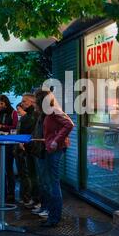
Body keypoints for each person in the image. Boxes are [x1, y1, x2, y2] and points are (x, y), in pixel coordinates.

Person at [35, 89, 74, 227]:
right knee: (51, 182)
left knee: (53, 183)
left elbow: (69, 124)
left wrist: (56, 140)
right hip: (52, 148)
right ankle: (53, 216)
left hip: (55, 149)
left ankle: (54, 217)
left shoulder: (53, 110)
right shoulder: (49, 111)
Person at [14, 93, 39, 208]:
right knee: (30, 174)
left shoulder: (34, 115)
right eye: (22, 101)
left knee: (33, 175)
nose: (22, 103)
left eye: (24, 101)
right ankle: (34, 199)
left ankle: (37, 200)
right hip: (28, 148)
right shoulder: (28, 116)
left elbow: (30, 132)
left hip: (33, 148)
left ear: (31, 102)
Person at [0, 94, 18, 202]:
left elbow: (15, 126)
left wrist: (3, 127)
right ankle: (3, 192)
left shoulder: (13, 113)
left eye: (1, 103)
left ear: (6, 103)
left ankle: (11, 194)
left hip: (9, 143)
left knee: (8, 169)